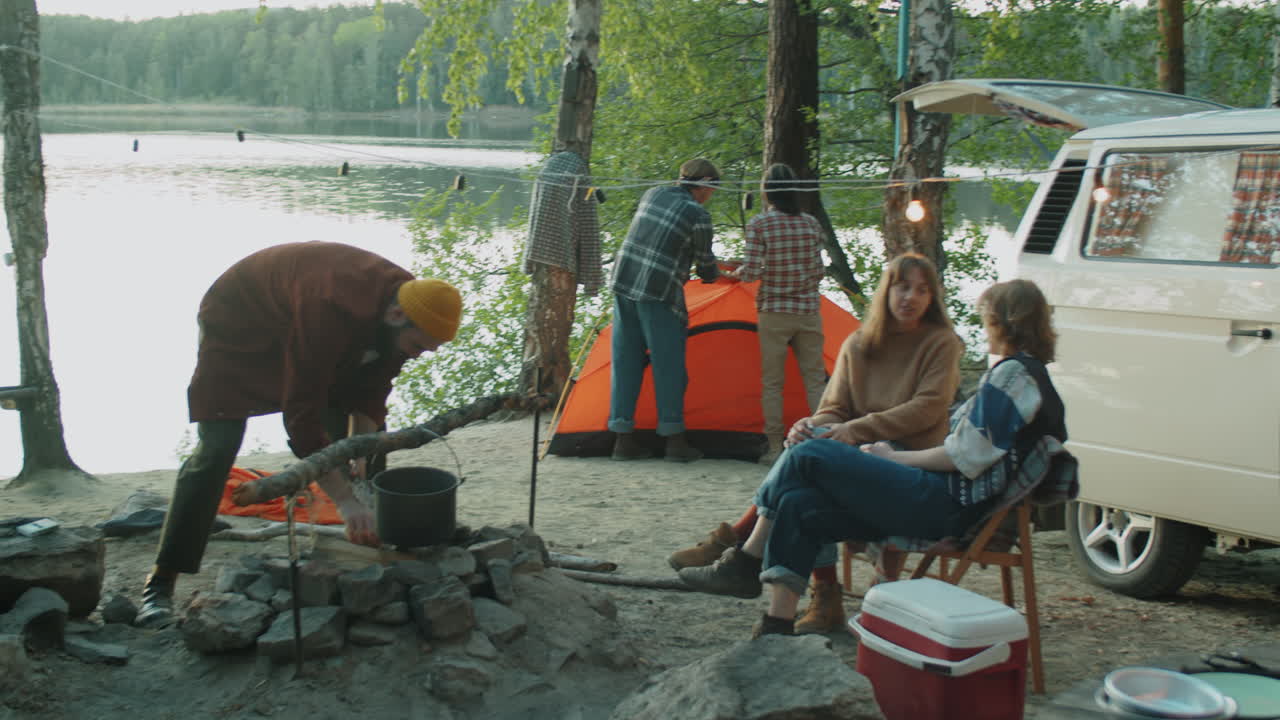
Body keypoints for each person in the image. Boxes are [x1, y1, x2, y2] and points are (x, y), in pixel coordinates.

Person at [682, 279, 1070, 638]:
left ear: (1003, 321)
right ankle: (776, 625)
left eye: (986, 318)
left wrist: (893, 460)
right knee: (800, 503)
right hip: (943, 496)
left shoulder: (1013, 376)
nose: (983, 325)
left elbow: (965, 455)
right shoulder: (1019, 375)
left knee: (810, 453)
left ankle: (745, 562)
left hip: (947, 505)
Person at [135, 241, 463, 628]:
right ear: (395, 316)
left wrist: (359, 463)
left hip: (310, 325)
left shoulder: (412, 307)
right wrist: (343, 499)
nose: (416, 355)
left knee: (371, 445)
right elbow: (301, 415)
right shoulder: (329, 307)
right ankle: (161, 580)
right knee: (218, 448)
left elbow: (371, 395)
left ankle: (378, 542)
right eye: (416, 347)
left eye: (426, 351)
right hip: (242, 321)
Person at [672, 253, 963, 633]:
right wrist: (808, 425)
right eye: (903, 286)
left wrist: (854, 431)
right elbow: (835, 409)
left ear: (932, 298)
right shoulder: (859, 343)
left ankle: (744, 553)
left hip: (909, 464)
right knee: (801, 481)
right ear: (886, 291)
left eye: (922, 290)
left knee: (810, 459)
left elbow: (927, 409)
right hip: (854, 457)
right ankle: (779, 621)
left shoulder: (941, 342)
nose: (911, 297)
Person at [608, 157, 722, 463]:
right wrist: (723, 272)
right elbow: (707, 269)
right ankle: (674, 442)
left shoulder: (654, 193)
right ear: (706, 184)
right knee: (668, 367)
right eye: (714, 188)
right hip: (658, 291)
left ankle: (622, 440)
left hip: (623, 282)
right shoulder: (698, 214)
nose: (712, 195)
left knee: (625, 361)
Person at [722, 163, 827, 466]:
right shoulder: (810, 223)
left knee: (772, 384)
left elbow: (752, 272)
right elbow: (818, 270)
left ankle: (773, 448)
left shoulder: (760, 225)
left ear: (767, 191)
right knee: (815, 381)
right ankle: (823, 441)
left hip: (774, 312)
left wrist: (735, 270)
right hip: (808, 310)